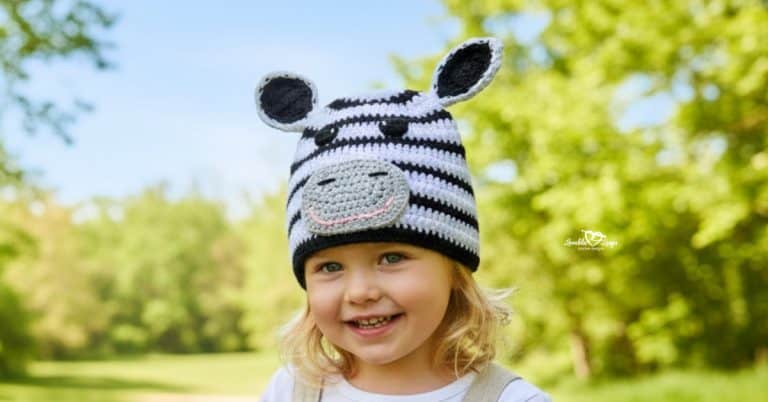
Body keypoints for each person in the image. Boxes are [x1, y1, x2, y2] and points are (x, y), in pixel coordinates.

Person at [255, 37, 552, 402]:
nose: (361, 292)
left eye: (391, 258)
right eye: (330, 266)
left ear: (454, 271)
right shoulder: (291, 392)